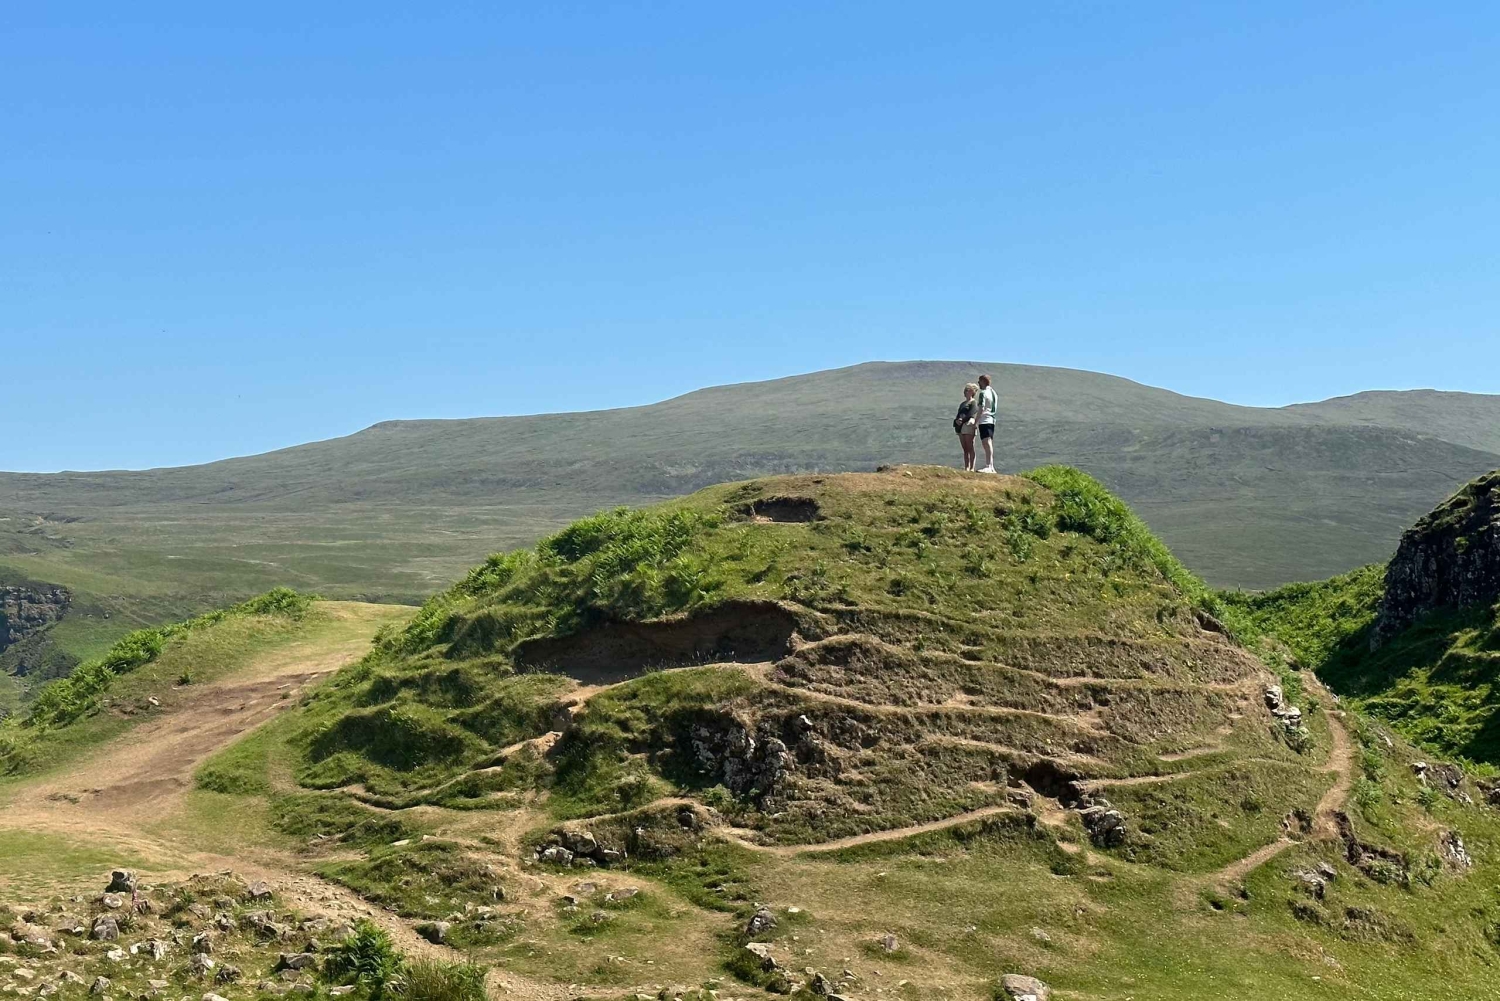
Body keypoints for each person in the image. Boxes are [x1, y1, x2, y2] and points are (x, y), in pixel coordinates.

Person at [975, 373, 998, 473]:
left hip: (985, 420)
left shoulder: (983, 393)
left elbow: (981, 408)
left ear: (983, 381)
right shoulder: (994, 393)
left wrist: (975, 421)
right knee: (989, 442)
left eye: (979, 381)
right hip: (992, 420)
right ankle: (990, 466)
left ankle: (989, 465)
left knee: (986, 443)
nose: (978, 383)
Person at [953, 383, 978, 471]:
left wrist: (963, 420)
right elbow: (959, 414)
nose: (965, 392)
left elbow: (972, 413)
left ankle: (972, 467)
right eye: (965, 390)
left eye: (967, 390)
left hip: (968, 425)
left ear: (972, 392)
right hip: (960, 427)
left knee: (970, 446)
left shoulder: (973, 403)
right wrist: (956, 421)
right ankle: (966, 466)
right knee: (965, 448)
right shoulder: (962, 403)